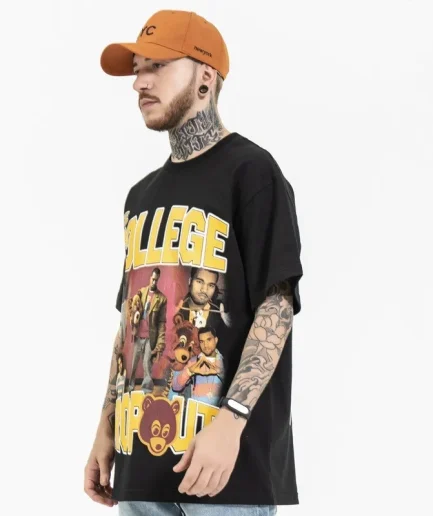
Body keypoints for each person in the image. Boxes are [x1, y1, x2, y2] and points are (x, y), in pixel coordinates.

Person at [84, 9, 304, 516]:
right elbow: (130, 322)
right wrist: (105, 427)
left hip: (226, 474)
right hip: (139, 471)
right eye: (137, 69)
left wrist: (232, 419)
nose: (139, 82)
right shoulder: (140, 196)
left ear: (206, 76)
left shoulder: (252, 173)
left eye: (157, 66)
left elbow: (277, 305)